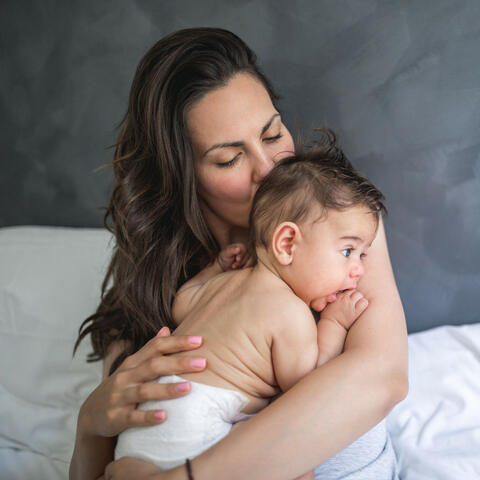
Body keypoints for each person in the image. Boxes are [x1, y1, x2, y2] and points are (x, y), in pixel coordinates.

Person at [70, 28, 408, 480]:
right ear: (182, 175)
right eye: (229, 159)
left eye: (272, 134)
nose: (270, 170)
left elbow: (382, 378)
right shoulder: (162, 283)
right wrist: (90, 427)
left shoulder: (337, 218)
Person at [113, 144, 386, 480]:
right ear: (287, 244)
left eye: (362, 255)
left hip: (146, 426)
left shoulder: (226, 283)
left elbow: (182, 302)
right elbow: (307, 389)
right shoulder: (290, 314)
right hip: (194, 433)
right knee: (298, 462)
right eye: (348, 251)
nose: (358, 270)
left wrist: (214, 268)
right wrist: (334, 323)